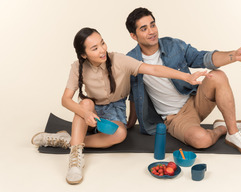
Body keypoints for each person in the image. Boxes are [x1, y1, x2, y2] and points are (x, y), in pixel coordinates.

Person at [31, 27, 209, 185]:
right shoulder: (78, 66)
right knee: (85, 103)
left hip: (115, 109)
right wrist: (85, 114)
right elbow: (66, 99)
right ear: (84, 54)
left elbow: (153, 69)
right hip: (91, 109)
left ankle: (68, 141)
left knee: (120, 134)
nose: (102, 50)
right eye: (95, 48)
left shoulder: (119, 60)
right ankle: (75, 161)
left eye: (102, 43)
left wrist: (186, 77)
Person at [125, 7, 241, 157]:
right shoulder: (131, 61)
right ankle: (222, 128)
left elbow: (202, 58)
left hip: (195, 99)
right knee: (202, 140)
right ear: (134, 36)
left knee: (218, 75)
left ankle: (233, 133)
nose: (152, 31)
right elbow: (134, 96)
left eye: (153, 25)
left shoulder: (173, 45)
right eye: (144, 29)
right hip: (175, 118)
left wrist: (234, 55)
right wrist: (130, 124)